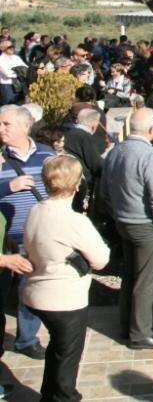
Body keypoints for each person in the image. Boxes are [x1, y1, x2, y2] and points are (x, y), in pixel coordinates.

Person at [23, 156, 111, 402]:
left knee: (57, 350)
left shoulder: (36, 209)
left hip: (36, 291)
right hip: (64, 299)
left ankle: (47, 395)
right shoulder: (75, 221)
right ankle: (64, 397)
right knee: (68, 358)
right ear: (76, 184)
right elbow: (101, 259)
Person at [102, 108, 153, 349]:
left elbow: (104, 192)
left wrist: (117, 213)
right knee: (145, 281)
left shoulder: (114, 151)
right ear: (152, 130)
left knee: (130, 276)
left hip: (122, 221)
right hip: (145, 224)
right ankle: (141, 333)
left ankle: (126, 326)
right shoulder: (149, 155)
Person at [0, 105, 55, 359]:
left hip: (35, 236)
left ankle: (26, 340)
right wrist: (8, 187)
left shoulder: (46, 154)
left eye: (6, 124)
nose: (1, 129)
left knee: (28, 290)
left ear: (25, 126)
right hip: (4, 240)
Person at [0, 40, 27, 106]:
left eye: (13, 46)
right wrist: (19, 71)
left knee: (20, 106)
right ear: (3, 49)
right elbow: (8, 74)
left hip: (20, 85)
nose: (12, 48)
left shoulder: (16, 58)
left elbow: (26, 69)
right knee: (8, 107)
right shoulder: (1, 59)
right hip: (7, 87)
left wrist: (15, 71)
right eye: (10, 47)